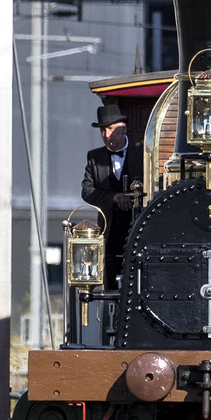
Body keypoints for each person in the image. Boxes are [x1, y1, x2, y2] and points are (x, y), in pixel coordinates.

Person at [81, 104, 144, 289]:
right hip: (109, 230)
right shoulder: (94, 157)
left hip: (138, 226)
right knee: (110, 277)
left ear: (123, 128)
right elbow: (87, 191)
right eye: (103, 130)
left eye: (110, 129)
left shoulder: (142, 152)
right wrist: (114, 198)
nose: (106, 135)